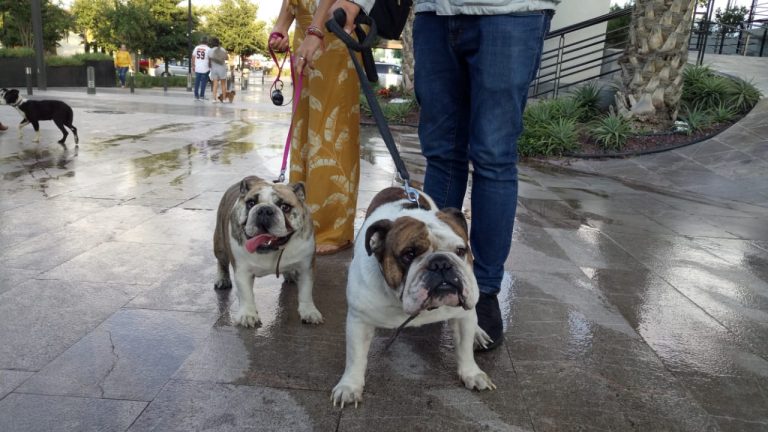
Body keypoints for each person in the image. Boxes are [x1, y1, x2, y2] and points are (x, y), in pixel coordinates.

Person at [331, 0, 557, 351]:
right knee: (441, 154)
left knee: (494, 157)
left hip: (511, 11)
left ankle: (480, 289)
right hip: (434, 12)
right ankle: (424, 284)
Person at [269, 0, 361, 256]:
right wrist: (281, 27)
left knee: (331, 130)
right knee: (304, 128)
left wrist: (316, 28)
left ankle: (331, 227)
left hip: (335, 30)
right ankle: (300, 217)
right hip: (306, 33)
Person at [192, 37, 211, 101]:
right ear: (207, 42)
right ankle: (202, 96)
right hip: (205, 68)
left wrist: (193, 65)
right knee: (203, 82)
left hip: (197, 67)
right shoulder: (208, 49)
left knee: (197, 82)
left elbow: (193, 57)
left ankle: (196, 95)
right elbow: (210, 59)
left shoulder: (196, 48)